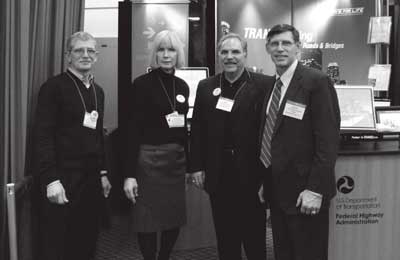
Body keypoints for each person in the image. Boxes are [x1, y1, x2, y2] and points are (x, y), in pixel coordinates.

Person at [189, 33, 274, 260]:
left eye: (235, 52)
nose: (230, 57)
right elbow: (197, 129)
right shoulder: (206, 86)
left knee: (255, 237)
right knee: (226, 238)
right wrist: (196, 166)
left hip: (252, 172)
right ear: (218, 55)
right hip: (219, 172)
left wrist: (268, 175)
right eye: (224, 52)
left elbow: (271, 131)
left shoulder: (264, 84)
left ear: (245, 54)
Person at [259, 24, 341, 260]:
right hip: (278, 193)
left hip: (306, 194)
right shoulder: (272, 86)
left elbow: (327, 142)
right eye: (274, 44)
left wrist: (315, 189)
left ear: (298, 47)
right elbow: (273, 137)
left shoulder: (316, 82)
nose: (280, 48)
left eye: (286, 43)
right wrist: (267, 179)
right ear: (267, 48)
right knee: (284, 254)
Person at [34, 31, 112, 260]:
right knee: (60, 245)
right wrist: (51, 180)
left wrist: (103, 173)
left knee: (87, 241)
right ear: (68, 56)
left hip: (90, 180)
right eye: (79, 50)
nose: (85, 55)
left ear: (96, 56)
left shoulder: (98, 91)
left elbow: (98, 137)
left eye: (90, 51)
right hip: (63, 180)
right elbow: (43, 136)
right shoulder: (53, 88)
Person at [122, 30, 189, 260]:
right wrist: (129, 174)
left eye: (171, 49)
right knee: (146, 220)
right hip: (148, 161)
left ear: (178, 53)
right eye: (161, 49)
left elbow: (182, 131)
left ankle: (164, 257)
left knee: (173, 217)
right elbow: (131, 131)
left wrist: (189, 165)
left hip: (175, 163)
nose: (166, 55)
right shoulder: (140, 84)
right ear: (155, 54)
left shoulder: (182, 86)